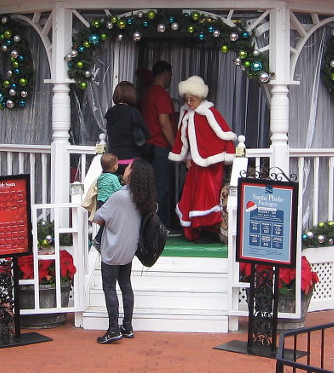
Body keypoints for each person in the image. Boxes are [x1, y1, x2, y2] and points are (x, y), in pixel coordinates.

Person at [92, 158, 156, 344]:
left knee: (109, 286)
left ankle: (113, 329)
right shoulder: (142, 197)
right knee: (125, 285)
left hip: (113, 248)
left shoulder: (119, 196)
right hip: (129, 248)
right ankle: (127, 326)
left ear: (133, 173)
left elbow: (98, 218)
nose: (125, 168)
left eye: (128, 167)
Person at [168, 76, 237, 243]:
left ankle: (209, 231)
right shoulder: (188, 114)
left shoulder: (209, 113)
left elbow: (222, 135)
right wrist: (187, 157)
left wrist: (224, 155)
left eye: (192, 99)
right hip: (196, 164)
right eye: (187, 99)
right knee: (192, 196)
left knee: (207, 197)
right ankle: (196, 229)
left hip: (211, 163)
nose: (190, 102)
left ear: (200, 97)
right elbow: (185, 139)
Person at [140, 61, 177, 231]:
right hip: (161, 146)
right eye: (170, 75)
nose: (171, 78)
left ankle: (150, 225)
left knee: (151, 187)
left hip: (147, 147)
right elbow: (164, 123)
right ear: (166, 73)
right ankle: (161, 227)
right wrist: (175, 146)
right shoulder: (161, 94)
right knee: (162, 188)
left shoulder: (147, 94)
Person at [105, 81, 150, 174]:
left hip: (114, 162)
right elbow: (147, 134)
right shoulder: (133, 112)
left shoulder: (110, 113)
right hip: (131, 161)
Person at [91, 153, 122, 252]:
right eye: (117, 164)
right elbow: (118, 189)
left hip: (101, 202)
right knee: (109, 223)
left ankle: (104, 241)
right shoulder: (113, 178)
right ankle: (98, 239)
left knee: (106, 223)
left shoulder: (101, 177)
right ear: (114, 166)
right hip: (108, 203)